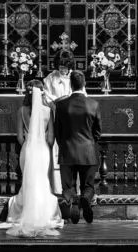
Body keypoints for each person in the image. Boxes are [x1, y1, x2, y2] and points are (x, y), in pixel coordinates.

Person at [0, 80, 64, 236]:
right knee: (42, 180)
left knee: (28, 180)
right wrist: (43, 143)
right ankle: (43, 212)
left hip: (28, 150)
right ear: (41, 92)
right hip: (43, 150)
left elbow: (19, 137)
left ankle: (23, 210)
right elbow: (51, 139)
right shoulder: (48, 111)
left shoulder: (21, 110)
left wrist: (29, 144)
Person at [54, 70, 102, 224]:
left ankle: (72, 202)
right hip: (88, 152)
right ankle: (85, 199)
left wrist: (64, 144)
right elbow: (98, 132)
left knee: (68, 186)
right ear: (84, 84)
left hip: (67, 151)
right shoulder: (93, 104)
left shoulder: (61, 105)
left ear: (70, 84)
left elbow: (57, 132)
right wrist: (89, 142)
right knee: (88, 185)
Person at [43, 50, 75, 193]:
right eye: (61, 66)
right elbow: (46, 95)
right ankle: (55, 179)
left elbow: (81, 93)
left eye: (65, 66)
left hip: (71, 114)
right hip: (55, 112)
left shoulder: (75, 76)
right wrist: (55, 102)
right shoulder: (51, 77)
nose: (62, 69)